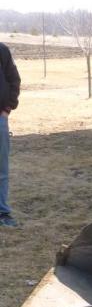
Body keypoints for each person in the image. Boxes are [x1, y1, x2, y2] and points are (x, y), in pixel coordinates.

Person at [0, 42, 21, 228]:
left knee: (1, 170)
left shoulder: (2, 51)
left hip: (0, 118)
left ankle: (3, 213)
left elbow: (14, 80)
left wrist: (7, 109)